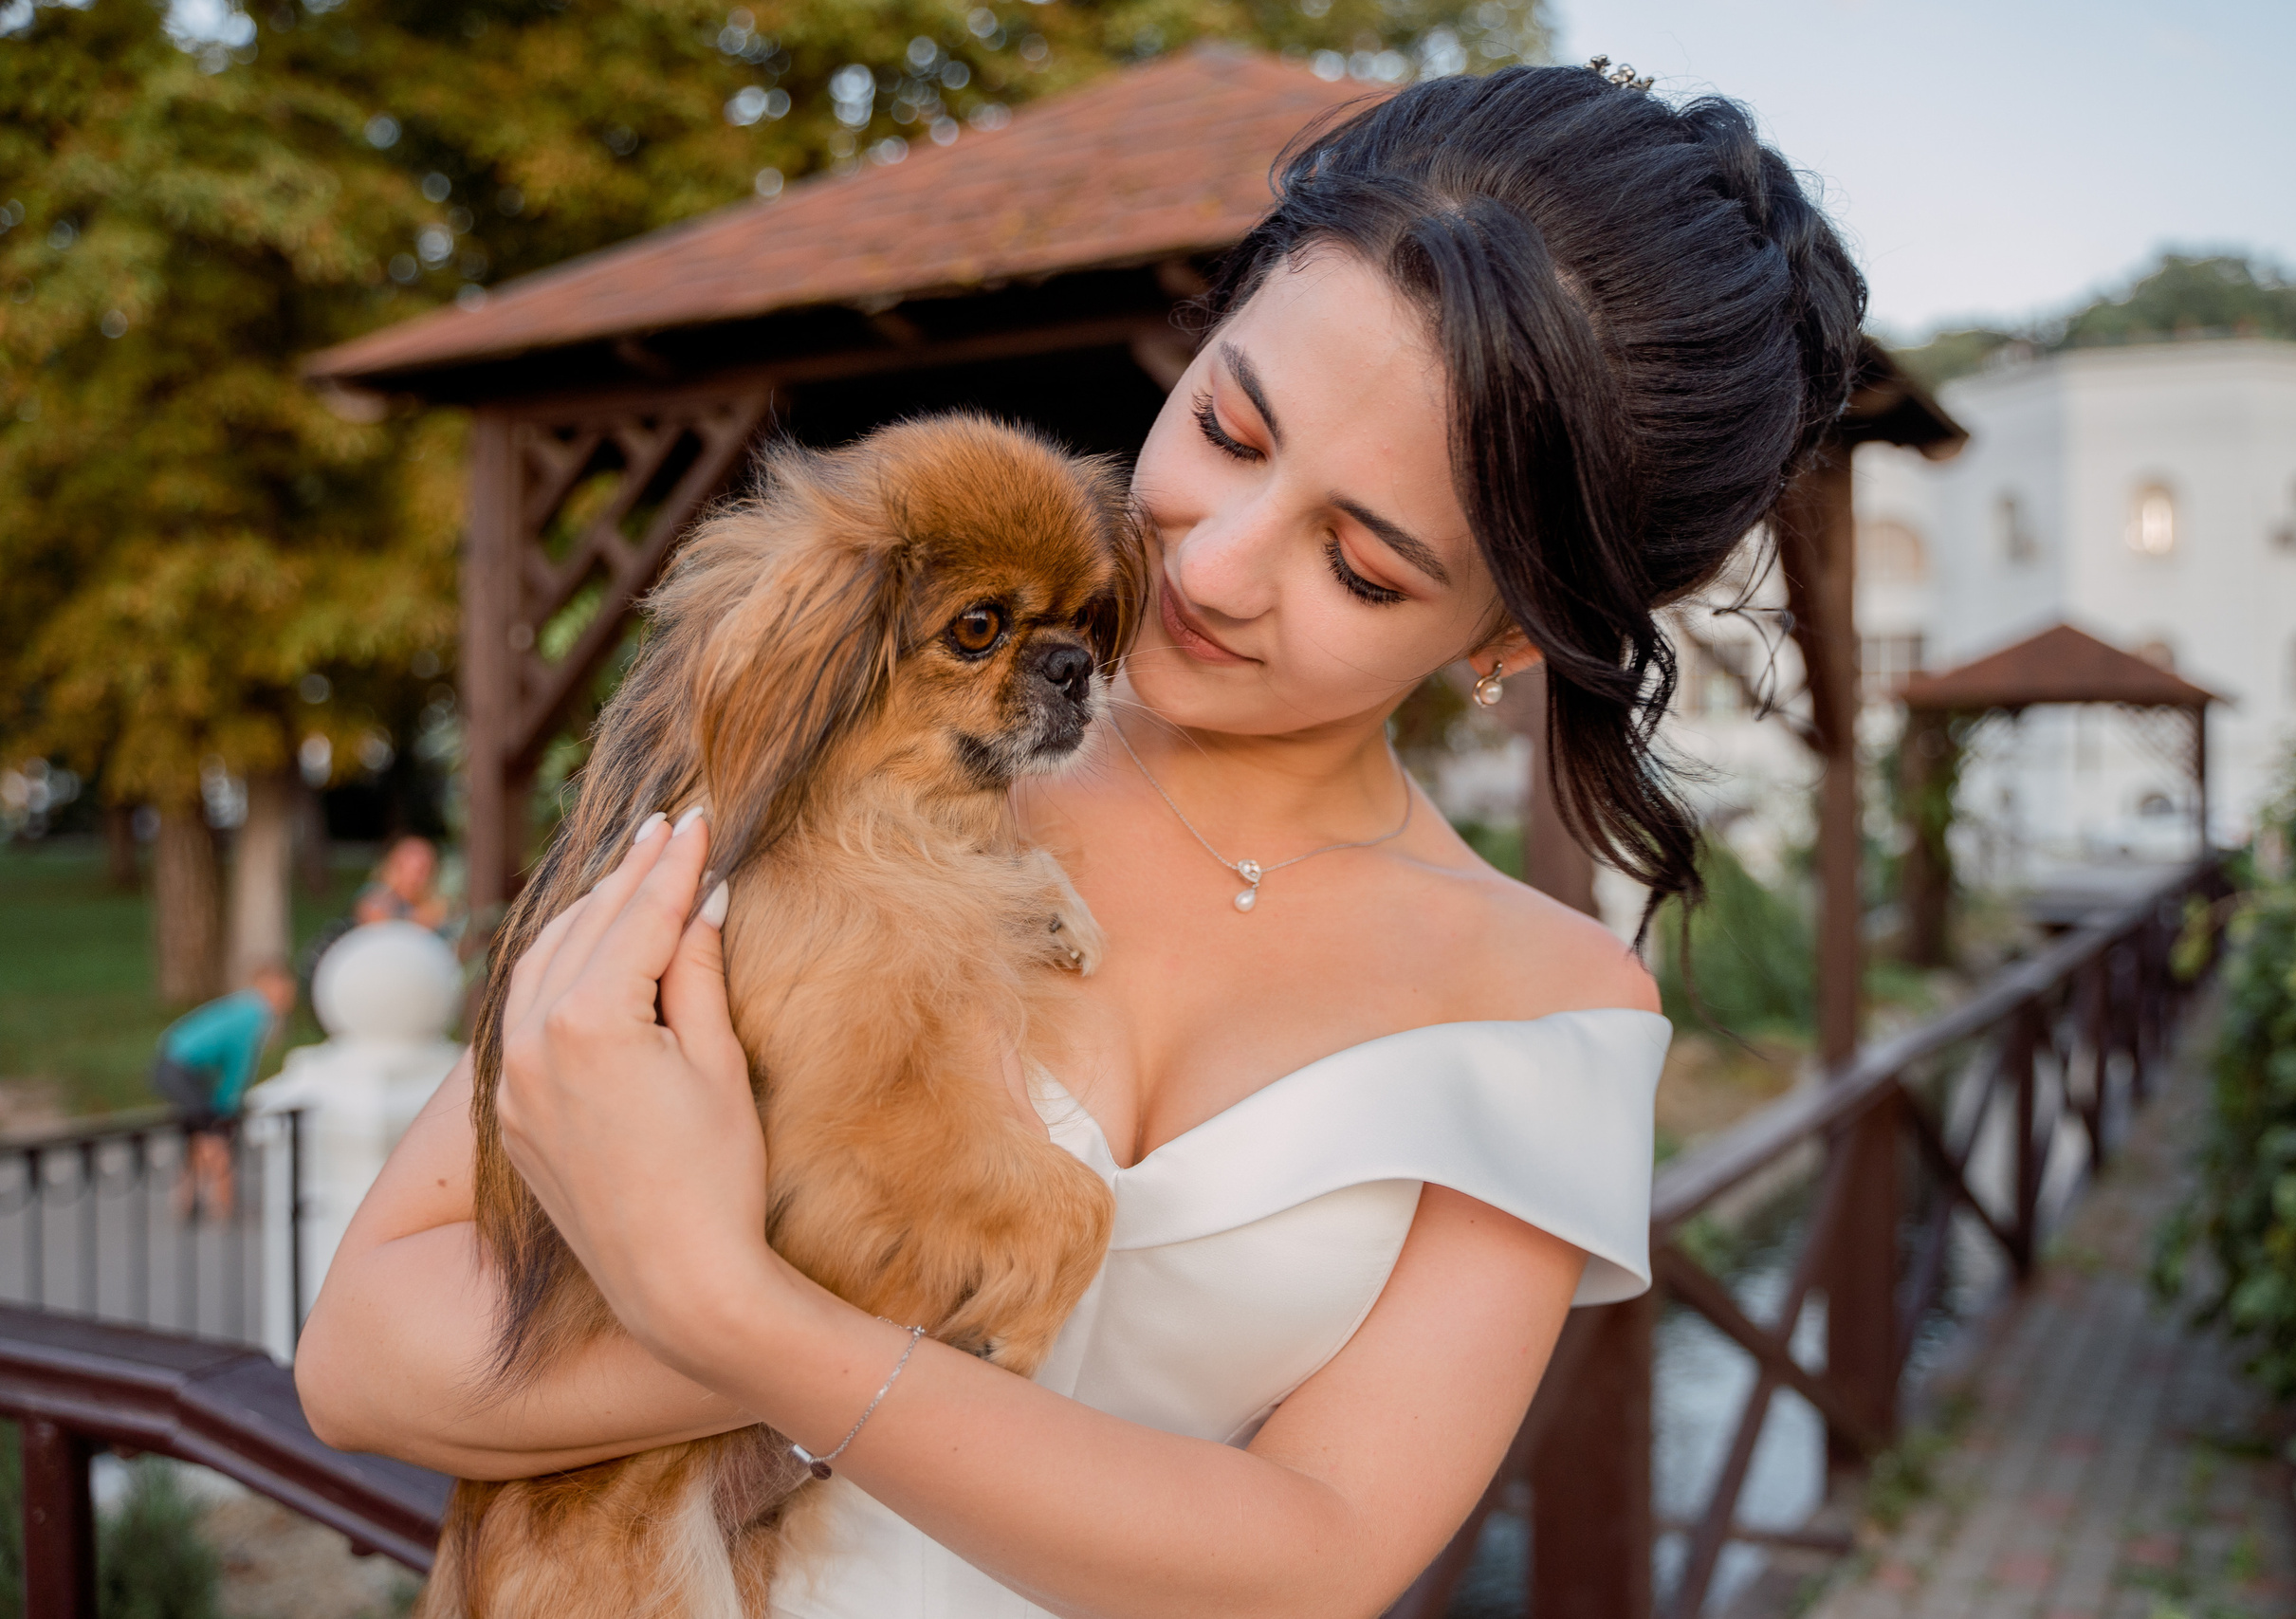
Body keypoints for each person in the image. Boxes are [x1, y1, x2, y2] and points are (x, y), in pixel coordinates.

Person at [297, 64, 1863, 1617]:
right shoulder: (853, 744)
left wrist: (728, 1307)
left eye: (1364, 567)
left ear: (1516, 639)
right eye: (1230, 430)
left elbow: (1314, 1555)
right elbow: (365, 1350)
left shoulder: (1547, 1013)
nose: (1217, 561)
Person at [152, 964, 296, 1221]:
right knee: (215, 1134)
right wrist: (227, 1104)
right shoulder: (253, 1015)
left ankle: (187, 1200)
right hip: (182, 1068)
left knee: (202, 1132)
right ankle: (223, 1203)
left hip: (179, 1066)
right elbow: (238, 1064)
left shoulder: (245, 1007)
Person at [353, 835, 450, 929]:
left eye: (424, 869)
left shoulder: (434, 902)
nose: (418, 877)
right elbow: (375, 921)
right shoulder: (376, 896)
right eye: (413, 869)